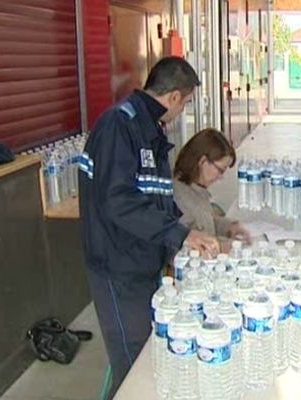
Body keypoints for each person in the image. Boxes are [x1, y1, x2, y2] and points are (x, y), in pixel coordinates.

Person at [78, 56, 219, 397]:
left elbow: (155, 198)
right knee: (133, 367)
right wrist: (178, 234)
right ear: (173, 98)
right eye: (184, 103)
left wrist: (185, 237)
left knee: (148, 356)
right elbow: (119, 201)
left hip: (142, 262)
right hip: (118, 266)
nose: (182, 111)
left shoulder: (149, 129)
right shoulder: (119, 126)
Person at [173, 128, 250, 252]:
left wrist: (230, 227)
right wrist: (224, 247)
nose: (220, 177)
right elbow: (188, 242)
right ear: (202, 161)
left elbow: (206, 221)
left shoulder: (197, 190)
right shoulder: (178, 196)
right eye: (220, 170)